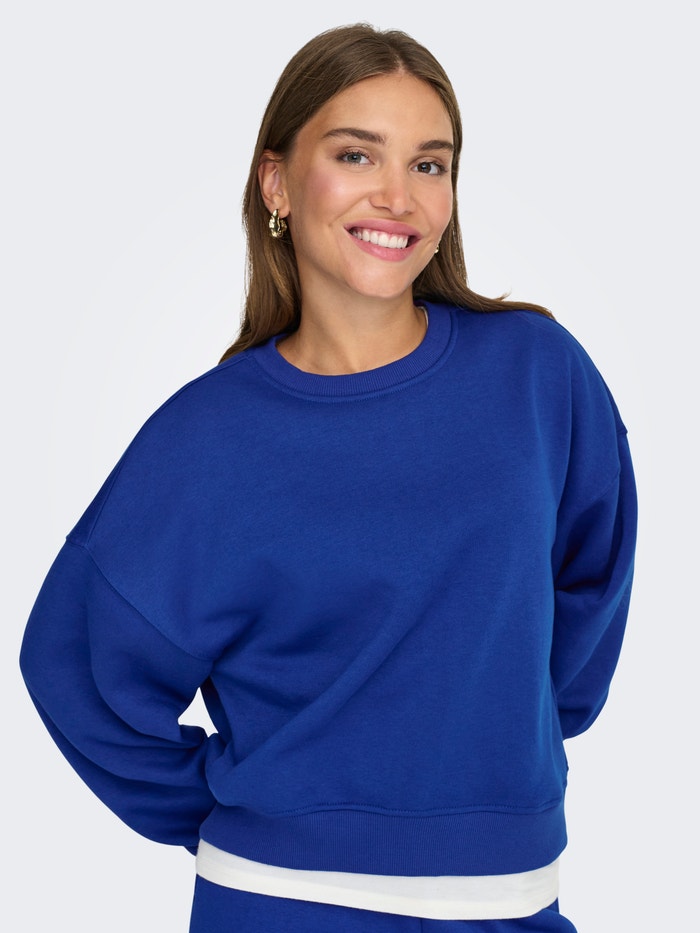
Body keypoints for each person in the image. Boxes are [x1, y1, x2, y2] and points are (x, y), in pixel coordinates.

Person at [19, 22, 636, 933]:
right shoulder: (207, 437)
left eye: (429, 164)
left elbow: (593, 574)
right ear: (276, 182)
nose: (398, 195)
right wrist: (260, 808)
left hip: (515, 895)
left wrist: (517, 738)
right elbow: (75, 665)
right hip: (282, 902)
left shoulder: (537, 373)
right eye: (356, 155)